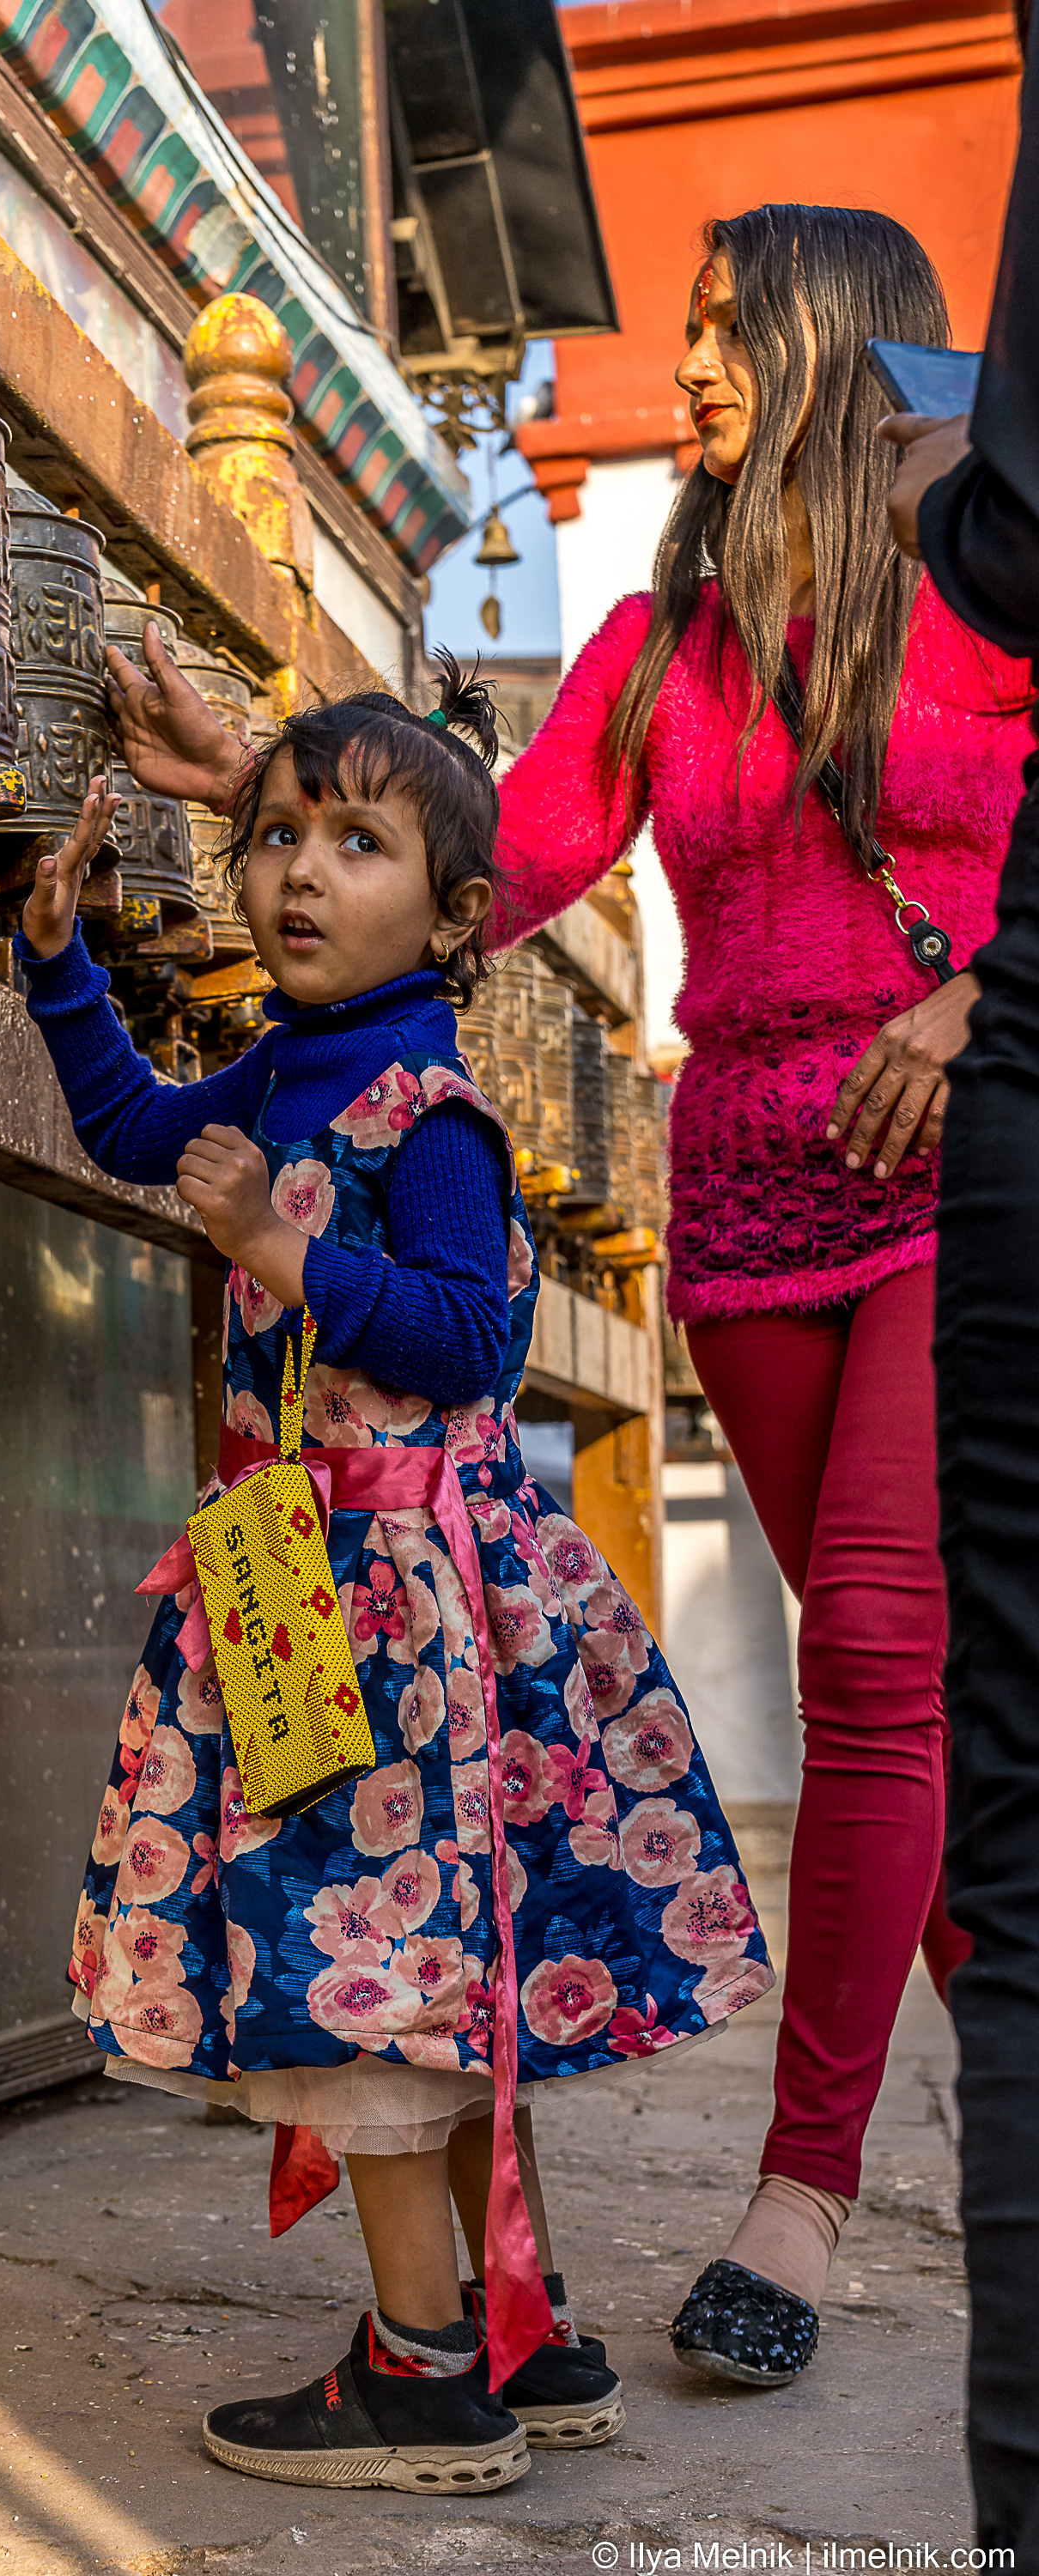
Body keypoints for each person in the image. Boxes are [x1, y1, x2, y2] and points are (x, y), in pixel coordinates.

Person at [13, 665, 775, 2495]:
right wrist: (61, 972)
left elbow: (461, 1331)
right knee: (421, 1972)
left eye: (354, 840)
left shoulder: (428, 1111)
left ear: (447, 915)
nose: (294, 871)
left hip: (390, 1616)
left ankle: (425, 2367)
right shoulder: (288, 1061)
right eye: (276, 831)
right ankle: (523, 2330)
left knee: (367, 1977)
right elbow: (145, 1137)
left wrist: (279, 1253)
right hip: (307, 1589)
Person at [454, 203, 1030, 2390]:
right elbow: (514, 854)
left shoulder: (994, 602)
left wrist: (977, 1003)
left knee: (875, 1658)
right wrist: (292, 806)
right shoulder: (664, 642)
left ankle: (798, 2195)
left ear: (835, 342)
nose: (684, 361)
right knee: (939, 1736)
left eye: (718, 325)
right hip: (748, 1227)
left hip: (963, 1183)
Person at [882, 22, 1039, 2556]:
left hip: (997, 1096)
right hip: (792, 1202)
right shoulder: (691, 619)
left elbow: (1024, 532)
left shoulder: (940, 576)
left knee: (981, 1774)